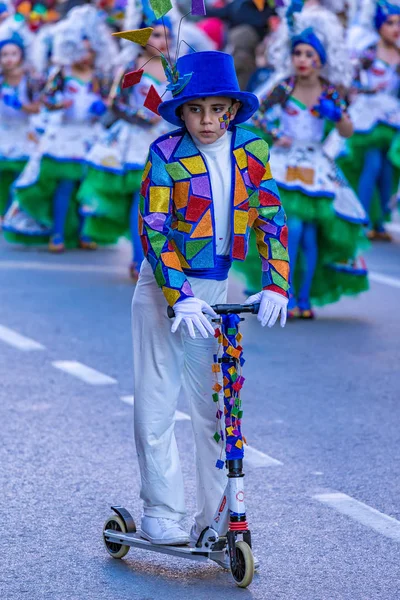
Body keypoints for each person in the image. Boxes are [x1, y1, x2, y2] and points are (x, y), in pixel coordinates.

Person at [130, 47, 289, 552]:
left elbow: (270, 217)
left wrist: (276, 281)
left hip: (218, 287)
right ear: (181, 112)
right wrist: (179, 296)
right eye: (194, 109)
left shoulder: (252, 150)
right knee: (159, 397)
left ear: (233, 111)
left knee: (217, 404)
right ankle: (161, 510)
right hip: (164, 287)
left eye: (217, 109)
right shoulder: (165, 154)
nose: (206, 120)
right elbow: (153, 230)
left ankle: (217, 513)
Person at [251, 22, 368, 318]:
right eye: (297, 53)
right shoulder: (284, 87)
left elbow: (348, 130)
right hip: (285, 162)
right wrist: (276, 135)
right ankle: (285, 295)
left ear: (321, 59)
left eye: (308, 54)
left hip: (316, 164)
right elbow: (257, 114)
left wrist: (337, 114)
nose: (301, 60)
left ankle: (304, 299)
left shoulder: (329, 91)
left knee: (311, 236)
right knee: (294, 229)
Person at [4, 5, 116, 251]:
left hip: (91, 136)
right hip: (64, 137)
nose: (85, 55)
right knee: (65, 186)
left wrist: (103, 106)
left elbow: (111, 102)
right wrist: (58, 105)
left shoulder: (99, 76)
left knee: (86, 189)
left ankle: (85, 233)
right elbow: (45, 98)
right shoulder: (61, 73)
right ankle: (57, 234)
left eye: (90, 50)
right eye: (81, 48)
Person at [78, 18, 173, 281]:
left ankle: (162, 259)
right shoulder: (131, 67)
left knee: (164, 205)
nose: (162, 42)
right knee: (141, 202)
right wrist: (141, 117)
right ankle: (138, 260)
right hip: (134, 142)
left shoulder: (175, 69)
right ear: (142, 39)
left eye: (167, 36)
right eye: (156, 36)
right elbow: (115, 103)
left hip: (167, 139)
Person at [337, 0, 400, 241]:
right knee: (372, 166)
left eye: (399, 23)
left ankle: (380, 222)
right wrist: (365, 90)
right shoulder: (369, 52)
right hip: (368, 121)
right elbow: (348, 81)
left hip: (392, 122)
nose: (395, 28)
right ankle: (360, 219)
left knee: (388, 171)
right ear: (379, 26)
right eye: (390, 23)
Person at [0, 32, 42, 227]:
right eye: (4, 54)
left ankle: (14, 214)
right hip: (2, 132)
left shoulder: (30, 80)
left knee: (20, 176)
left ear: (21, 56)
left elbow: (37, 107)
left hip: (23, 133)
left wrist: (20, 106)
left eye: (13, 54)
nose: (8, 59)